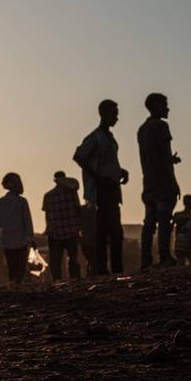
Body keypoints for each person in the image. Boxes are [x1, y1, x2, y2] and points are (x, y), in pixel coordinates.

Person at [74, 99, 129, 275]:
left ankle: (109, 268)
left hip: (112, 186)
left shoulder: (109, 138)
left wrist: (121, 171)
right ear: (104, 113)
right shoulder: (95, 137)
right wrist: (97, 176)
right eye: (114, 113)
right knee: (108, 229)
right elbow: (79, 156)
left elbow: (108, 163)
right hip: (102, 188)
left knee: (110, 229)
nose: (117, 117)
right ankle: (106, 268)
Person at [137, 93, 181, 270]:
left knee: (149, 222)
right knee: (164, 220)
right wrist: (173, 181)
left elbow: (153, 156)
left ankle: (146, 259)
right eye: (165, 105)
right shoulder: (161, 126)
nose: (167, 108)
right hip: (163, 182)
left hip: (148, 182)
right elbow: (163, 155)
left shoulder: (142, 129)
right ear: (155, 106)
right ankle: (164, 256)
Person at [0, 172, 34, 286]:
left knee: (11, 265)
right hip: (21, 240)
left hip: (7, 240)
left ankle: (12, 284)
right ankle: (17, 284)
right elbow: (27, 221)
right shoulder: (22, 202)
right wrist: (31, 238)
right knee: (20, 265)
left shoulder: (1, 202)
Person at [42, 171, 82, 281]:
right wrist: (79, 228)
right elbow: (78, 210)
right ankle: (75, 279)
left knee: (56, 260)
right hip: (71, 230)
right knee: (73, 259)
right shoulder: (72, 193)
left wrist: (48, 229)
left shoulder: (48, 195)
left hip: (55, 232)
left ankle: (57, 279)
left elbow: (47, 215)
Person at [172, 194, 191, 266]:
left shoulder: (178, 215)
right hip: (187, 243)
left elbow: (171, 228)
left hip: (182, 243)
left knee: (182, 262)